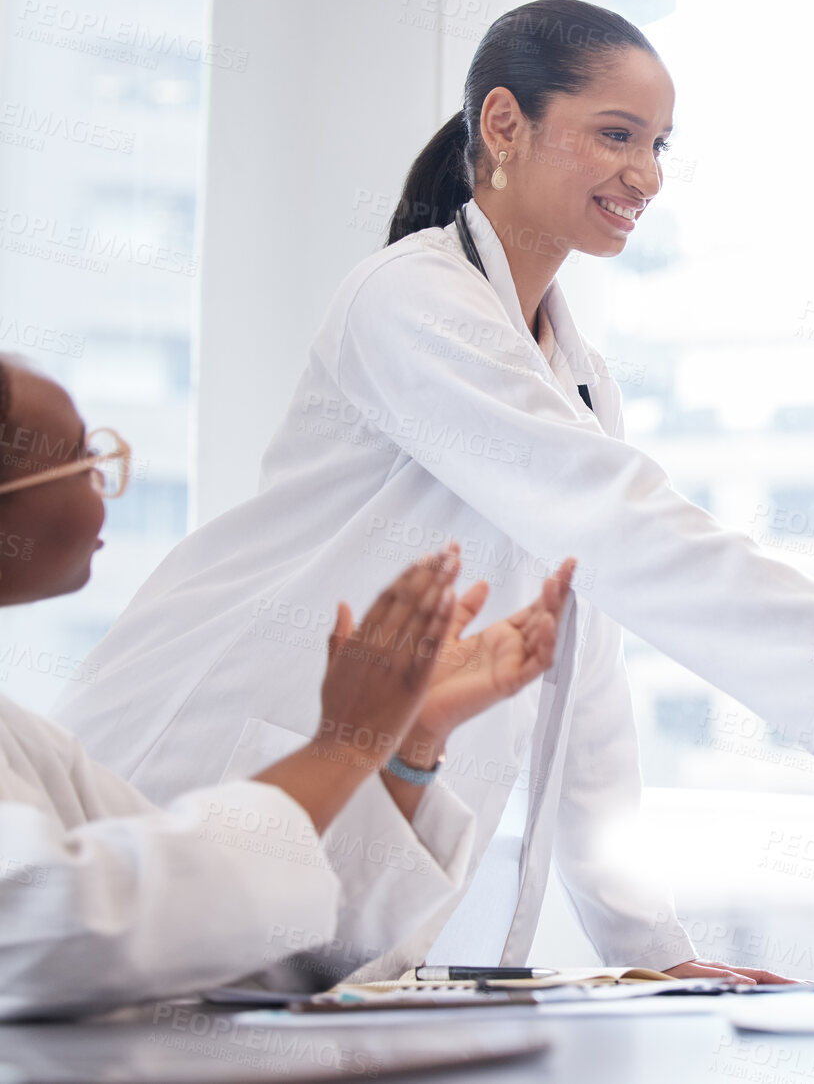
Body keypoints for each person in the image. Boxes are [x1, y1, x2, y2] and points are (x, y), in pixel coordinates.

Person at [52, 0, 814, 985]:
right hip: (196, 755)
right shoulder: (408, 299)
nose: (644, 173)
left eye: (657, 144)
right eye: (614, 135)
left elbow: (585, 688)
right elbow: (615, 519)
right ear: (502, 124)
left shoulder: (575, 373)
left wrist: (653, 954)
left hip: (344, 829)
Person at [0, 356, 570, 1018]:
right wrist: (337, 751)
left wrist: (404, 747)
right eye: (78, 458)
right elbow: (46, 938)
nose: (104, 484)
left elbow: (252, 947)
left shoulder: (26, 744)